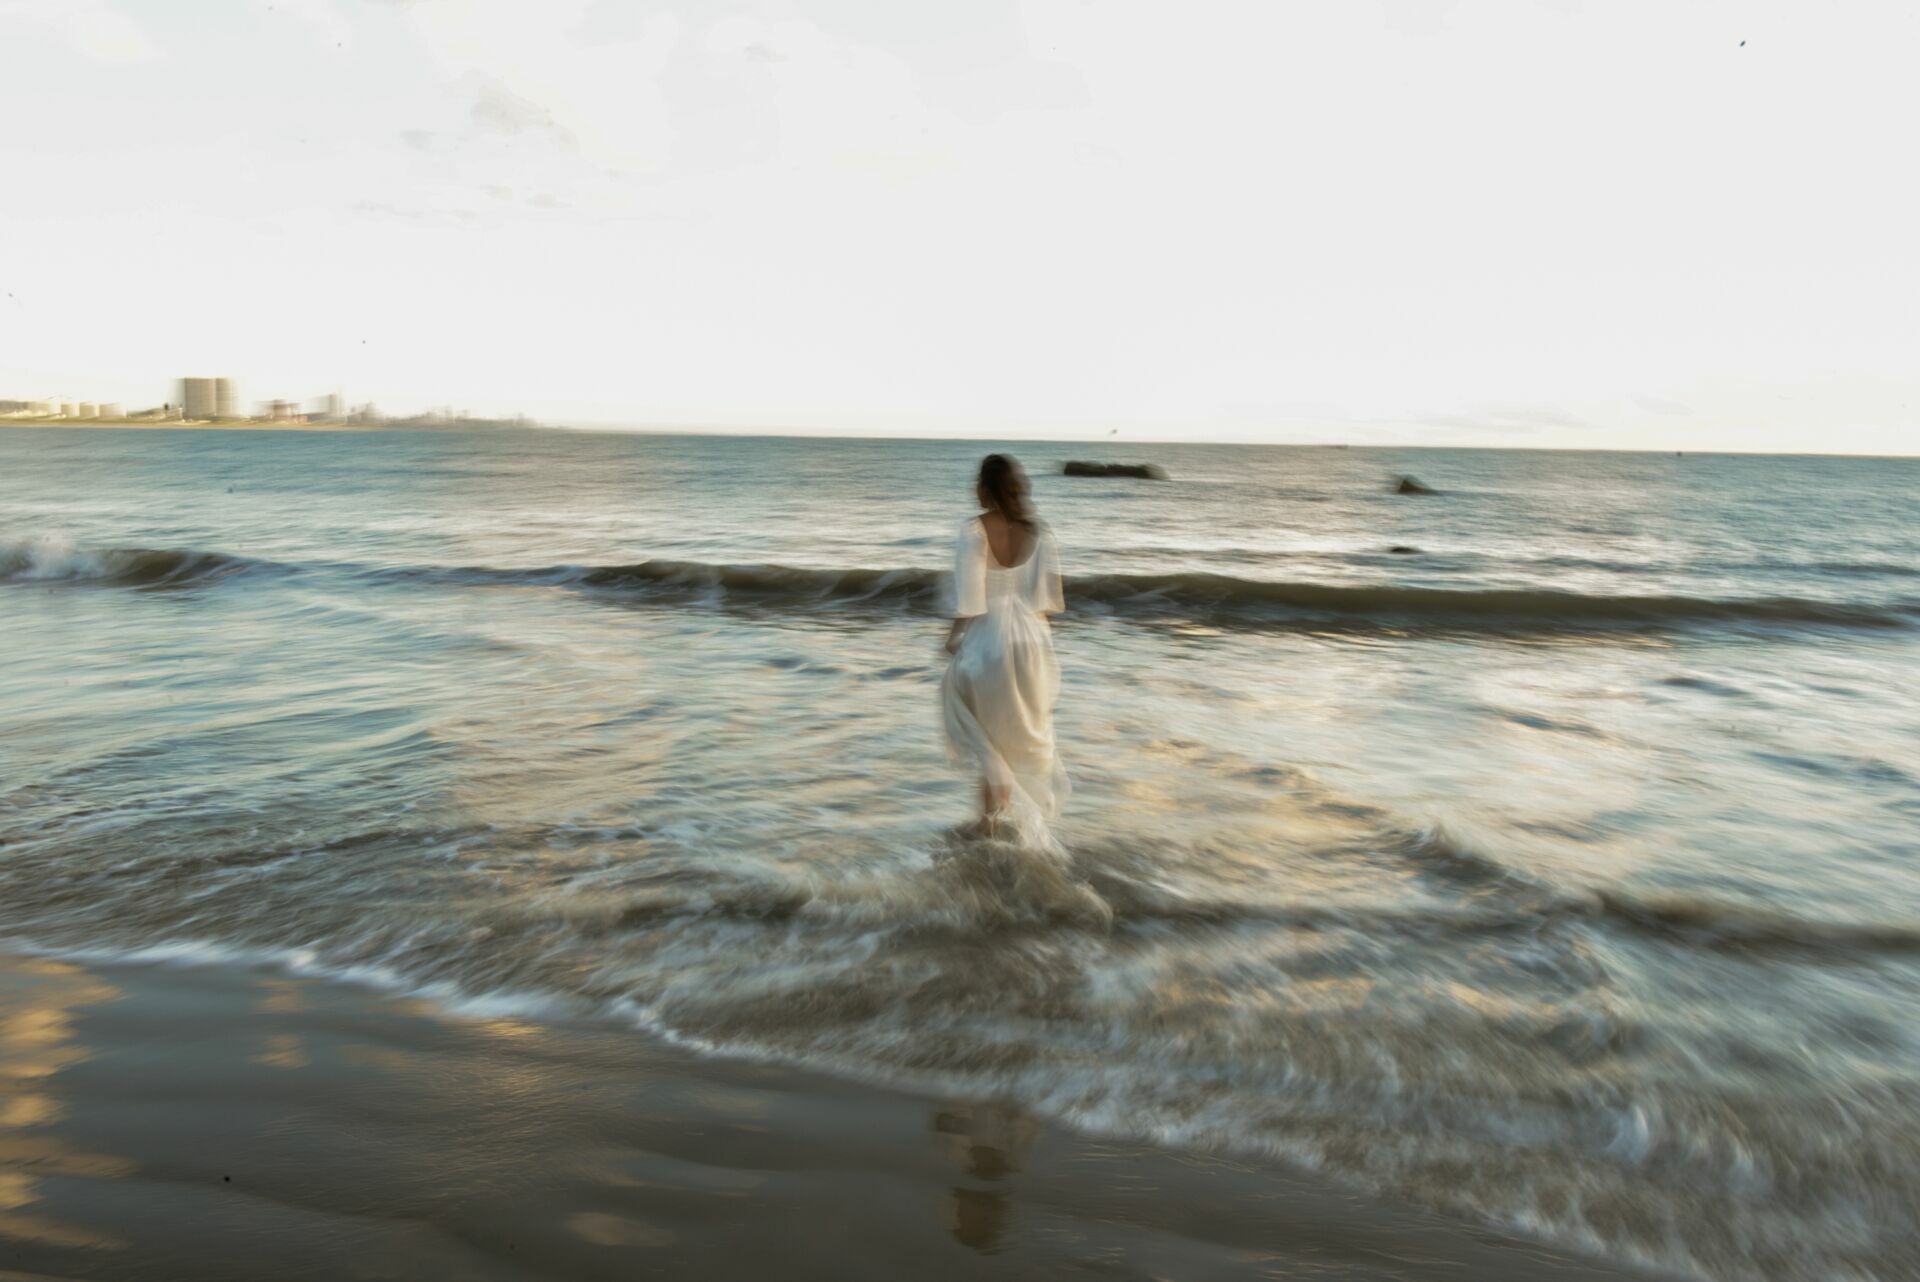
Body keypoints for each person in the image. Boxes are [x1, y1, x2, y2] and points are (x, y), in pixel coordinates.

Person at [941, 454, 1067, 840]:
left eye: (976, 481)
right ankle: (1002, 825)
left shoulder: (975, 531)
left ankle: (990, 827)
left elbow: (970, 599)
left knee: (987, 740)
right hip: (1031, 642)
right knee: (1014, 739)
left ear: (986, 486)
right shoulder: (1039, 531)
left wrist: (951, 638)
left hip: (989, 642)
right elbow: (1046, 599)